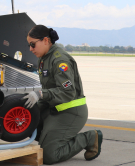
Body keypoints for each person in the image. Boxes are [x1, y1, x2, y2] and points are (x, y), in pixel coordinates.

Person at [22, 25, 103, 165]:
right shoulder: (44, 57)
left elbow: (68, 92)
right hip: (53, 107)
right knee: (25, 120)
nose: (30, 49)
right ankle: (50, 140)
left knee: (48, 155)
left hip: (69, 111)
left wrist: (41, 94)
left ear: (46, 40)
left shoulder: (60, 60)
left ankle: (89, 138)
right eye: (29, 45)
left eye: (32, 44)